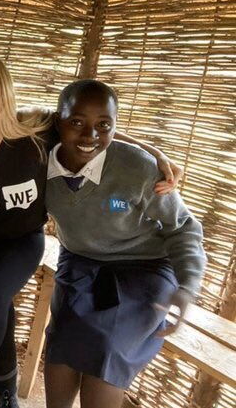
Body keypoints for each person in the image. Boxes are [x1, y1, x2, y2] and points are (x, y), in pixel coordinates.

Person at [0, 51, 184, 408]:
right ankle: (3, 396)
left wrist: (154, 152)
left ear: (4, 92)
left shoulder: (36, 132)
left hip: (20, 241)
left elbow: (96, 130)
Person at [43, 79, 205, 408]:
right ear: (58, 122)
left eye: (104, 125)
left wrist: (187, 285)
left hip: (144, 268)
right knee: (60, 349)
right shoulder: (38, 157)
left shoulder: (137, 169)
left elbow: (184, 226)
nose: (89, 136)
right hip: (79, 262)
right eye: (76, 122)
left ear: (115, 127)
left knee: (108, 357)